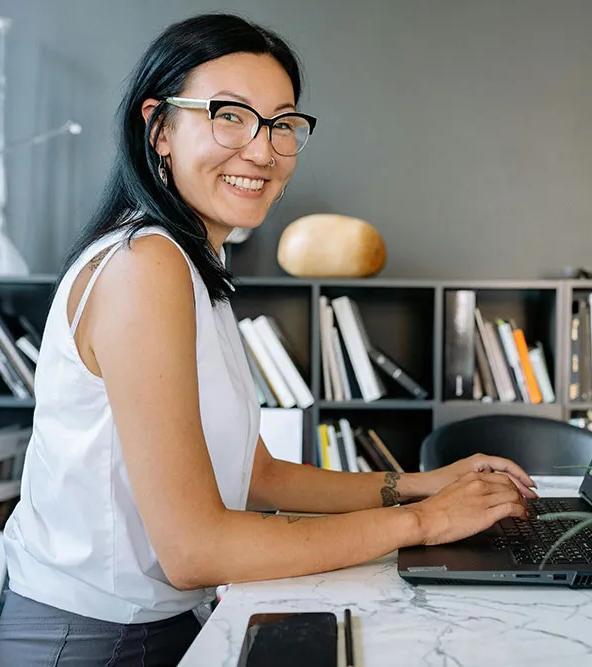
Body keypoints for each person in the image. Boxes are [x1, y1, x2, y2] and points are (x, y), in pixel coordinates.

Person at [0, 12, 536, 666]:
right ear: (159, 128)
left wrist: (420, 483)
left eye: (283, 123)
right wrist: (428, 522)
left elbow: (260, 473)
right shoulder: (146, 266)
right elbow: (196, 547)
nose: (262, 149)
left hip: (154, 622)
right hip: (91, 639)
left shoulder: (193, 263)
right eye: (230, 114)